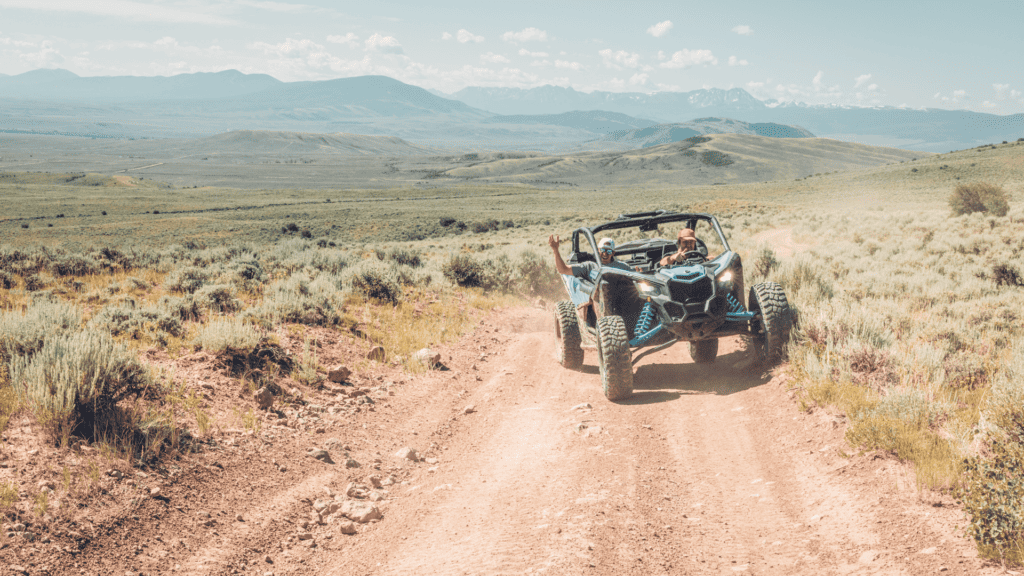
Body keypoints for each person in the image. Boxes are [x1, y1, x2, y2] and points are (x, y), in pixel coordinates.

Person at [548, 235, 632, 280]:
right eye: (602, 250)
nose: (605, 254)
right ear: (598, 250)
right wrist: (555, 250)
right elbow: (563, 270)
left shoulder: (623, 267)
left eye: (609, 251)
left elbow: (636, 280)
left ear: (613, 253)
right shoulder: (589, 267)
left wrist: (639, 275)